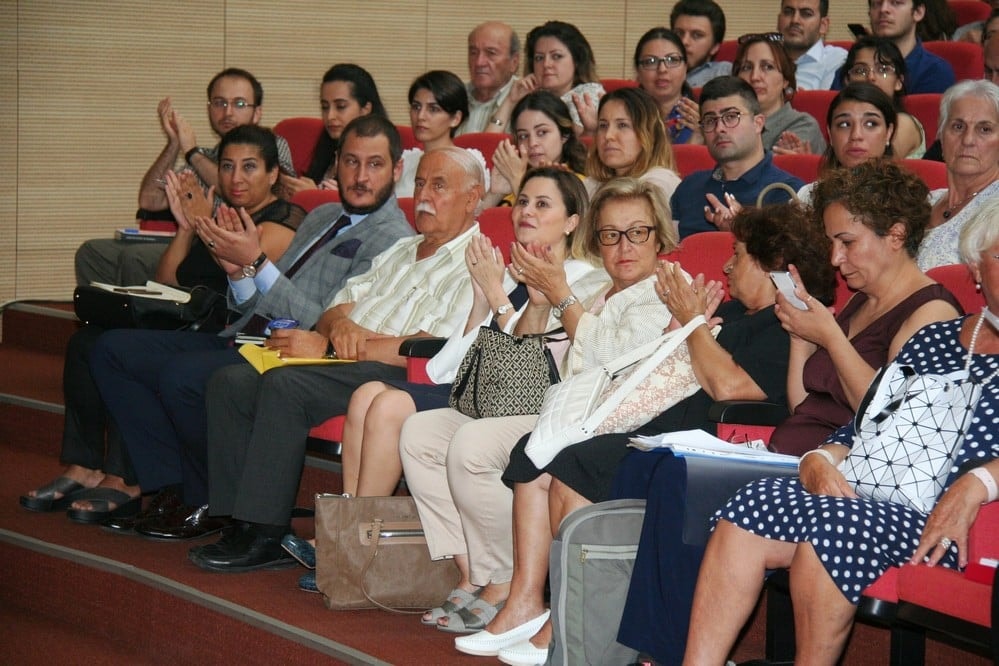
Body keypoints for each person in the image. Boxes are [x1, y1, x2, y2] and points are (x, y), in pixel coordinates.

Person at [471, 202, 836, 665]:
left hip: (718, 441)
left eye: (739, 254)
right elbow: (677, 364)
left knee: (579, 465)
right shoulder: (737, 313)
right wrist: (683, 326)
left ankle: (571, 621)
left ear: (772, 266)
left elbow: (729, 387)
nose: (726, 265)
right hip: (671, 426)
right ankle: (549, 608)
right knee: (550, 455)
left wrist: (694, 324)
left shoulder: (782, 325)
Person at [683, 200, 999, 666]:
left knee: (833, 528)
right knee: (752, 503)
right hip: (874, 495)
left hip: (950, 522)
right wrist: (820, 459)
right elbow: (868, 422)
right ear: (976, 264)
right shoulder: (936, 339)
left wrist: (980, 482)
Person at [279, 167, 610, 594]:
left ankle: (352, 553)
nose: (526, 211)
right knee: (365, 394)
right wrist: (480, 301)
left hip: (525, 400)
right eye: (522, 201)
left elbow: (530, 364)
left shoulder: (583, 280)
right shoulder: (507, 272)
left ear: (571, 222)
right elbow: (452, 360)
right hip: (478, 388)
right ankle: (346, 541)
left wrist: (494, 297)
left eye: (542, 204)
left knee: (389, 404)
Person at [82, 116, 414, 535]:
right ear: (337, 163)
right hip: (247, 334)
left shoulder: (393, 238)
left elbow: (326, 323)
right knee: (111, 350)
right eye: (350, 162)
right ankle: (173, 483)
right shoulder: (323, 213)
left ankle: (201, 494)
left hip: (295, 352)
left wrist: (257, 263)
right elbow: (268, 295)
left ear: (397, 171)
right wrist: (239, 274)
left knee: (182, 378)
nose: (360, 176)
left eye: (374, 165)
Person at [400, 177, 677, 641]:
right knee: (420, 433)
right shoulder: (600, 292)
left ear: (658, 237)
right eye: (610, 235)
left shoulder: (658, 288)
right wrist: (532, 298)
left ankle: (507, 581)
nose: (623, 247)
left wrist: (550, 294)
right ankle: (475, 572)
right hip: (550, 404)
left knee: (472, 445)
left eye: (637, 233)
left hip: (596, 419)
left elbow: (603, 360)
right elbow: (525, 354)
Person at [189, 146, 487, 572]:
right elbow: (335, 309)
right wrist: (337, 329)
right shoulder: (402, 250)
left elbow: (430, 345)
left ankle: (264, 531)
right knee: (231, 381)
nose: (424, 195)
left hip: (396, 376)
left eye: (439, 186)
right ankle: (236, 520)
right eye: (420, 183)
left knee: (284, 385)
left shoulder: (475, 261)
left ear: (473, 198)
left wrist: (336, 343)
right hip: (346, 359)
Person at [20, 125, 305, 522]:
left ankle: (127, 476)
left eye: (249, 167)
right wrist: (187, 228)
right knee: (86, 342)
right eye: (227, 166)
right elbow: (167, 279)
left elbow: (238, 265)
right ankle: (83, 465)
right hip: (185, 315)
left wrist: (203, 221)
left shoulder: (284, 219)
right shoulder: (214, 209)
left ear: (273, 174)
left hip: (225, 326)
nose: (236, 178)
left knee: (128, 350)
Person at [75, 68, 296, 288]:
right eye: (219, 103)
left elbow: (275, 191)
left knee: (135, 259)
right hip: (197, 239)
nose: (228, 112)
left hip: (218, 246)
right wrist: (174, 145)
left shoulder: (271, 145)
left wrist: (192, 154)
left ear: (257, 112)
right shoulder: (207, 155)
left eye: (239, 104)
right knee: (92, 251)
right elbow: (150, 200)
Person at [670, 76, 804, 239]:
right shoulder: (689, 187)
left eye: (731, 117)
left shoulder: (786, 193)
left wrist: (743, 232)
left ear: (758, 123)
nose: (719, 128)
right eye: (710, 120)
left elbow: (789, 261)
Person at [918, 80, 999, 271]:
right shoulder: (925, 201)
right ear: (941, 134)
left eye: (984, 129)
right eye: (958, 127)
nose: (968, 140)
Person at [277, 63, 387, 198]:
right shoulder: (328, 148)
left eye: (340, 107)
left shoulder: (380, 158)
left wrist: (314, 197)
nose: (330, 116)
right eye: (325, 107)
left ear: (365, 109)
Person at [484, 21, 604, 134]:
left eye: (556, 56)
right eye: (539, 58)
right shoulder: (531, 97)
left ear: (577, 61)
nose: (546, 64)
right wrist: (510, 101)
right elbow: (487, 144)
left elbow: (580, 145)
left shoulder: (588, 95)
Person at [480, 91, 587, 209]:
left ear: (564, 135)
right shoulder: (511, 176)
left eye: (542, 133)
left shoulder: (579, 184)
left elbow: (539, 221)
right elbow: (474, 225)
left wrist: (517, 181)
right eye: (523, 136)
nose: (532, 143)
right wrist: (495, 194)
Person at [797, 82, 897, 202]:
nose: (856, 135)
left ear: (889, 132)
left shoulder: (914, 200)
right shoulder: (807, 199)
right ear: (830, 134)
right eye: (844, 124)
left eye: (870, 123)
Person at [583, 87, 681, 207]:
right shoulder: (591, 185)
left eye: (622, 125)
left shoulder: (659, 184)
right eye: (603, 126)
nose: (608, 135)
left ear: (649, 134)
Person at [732, 32, 827, 155]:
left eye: (767, 67)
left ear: (785, 80)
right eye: (746, 67)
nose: (755, 77)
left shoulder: (803, 125)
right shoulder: (726, 123)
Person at [834, 0, 956, 94]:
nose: (883, 9)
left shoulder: (935, 71)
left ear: (918, 12)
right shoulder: (851, 69)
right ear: (869, 13)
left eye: (896, 2)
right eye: (877, 3)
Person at [396, 70, 484, 197]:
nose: (420, 116)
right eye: (416, 107)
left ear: (456, 118)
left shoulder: (468, 163)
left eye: (433, 109)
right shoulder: (405, 161)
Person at [841, 36, 925, 159]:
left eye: (883, 70)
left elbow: (873, 171)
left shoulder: (903, 123)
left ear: (898, 82)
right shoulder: (841, 121)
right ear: (847, 81)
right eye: (860, 71)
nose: (870, 77)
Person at [633, 27, 701, 145]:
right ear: (638, 71)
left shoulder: (703, 118)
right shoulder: (626, 117)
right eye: (650, 61)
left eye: (672, 60)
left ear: (685, 68)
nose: (662, 69)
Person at [461, 21, 521, 134]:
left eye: (491, 53)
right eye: (473, 53)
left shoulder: (526, 100)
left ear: (514, 62)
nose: (479, 62)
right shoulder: (455, 96)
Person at [776, 0, 847, 91]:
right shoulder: (763, 58)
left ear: (823, 25)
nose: (795, 20)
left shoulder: (837, 60)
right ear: (778, 20)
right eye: (788, 12)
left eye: (806, 14)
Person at [670, 0, 732, 87]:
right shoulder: (655, 70)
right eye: (679, 33)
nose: (684, 41)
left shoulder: (724, 72)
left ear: (715, 47)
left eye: (697, 35)